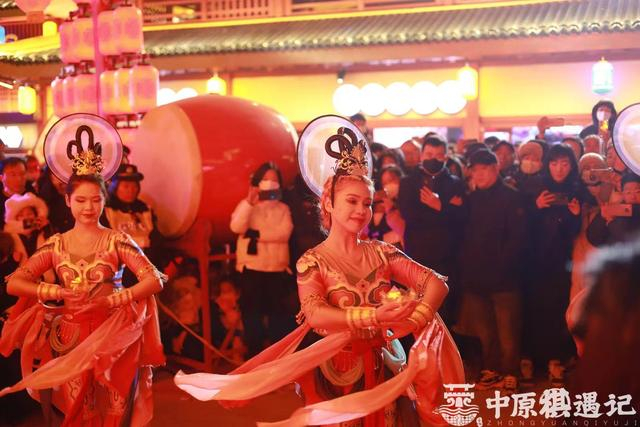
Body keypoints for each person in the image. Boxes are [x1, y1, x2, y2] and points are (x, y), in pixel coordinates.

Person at [175, 117, 464, 426]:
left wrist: (415, 319)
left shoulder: (382, 252)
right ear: (328, 203)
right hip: (334, 372)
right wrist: (375, 316)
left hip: (384, 366)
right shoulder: (312, 261)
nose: (361, 210)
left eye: (367, 203)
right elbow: (315, 315)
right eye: (351, 201)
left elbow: (436, 283)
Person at [0, 116, 165, 426]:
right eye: (80, 200)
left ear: (104, 200)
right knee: (81, 412)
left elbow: (154, 280)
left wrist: (113, 300)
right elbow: (15, 283)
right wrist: (55, 291)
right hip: (71, 336)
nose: (88, 208)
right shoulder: (56, 244)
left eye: (95, 200)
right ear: (67, 200)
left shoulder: (117, 240)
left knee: (116, 412)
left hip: (114, 336)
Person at [456, 149, 527, 393]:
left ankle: (511, 372)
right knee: (485, 331)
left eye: (484, 169)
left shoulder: (512, 197)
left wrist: (503, 266)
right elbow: (465, 238)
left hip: (505, 278)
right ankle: (492, 369)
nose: (479, 174)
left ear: (496, 169)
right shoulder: (471, 199)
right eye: (475, 170)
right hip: (476, 277)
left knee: (508, 330)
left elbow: (518, 239)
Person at [526, 143, 585, 385]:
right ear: (547, 165)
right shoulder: (535, 187)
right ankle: (533, 360)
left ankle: (555, 360)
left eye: (564, 163)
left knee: (559, 310)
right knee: (534, 309)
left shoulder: (577, 190)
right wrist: (535, 207)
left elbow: (574, 233)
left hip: (562, 262)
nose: (559, 169)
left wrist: (575, 215)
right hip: (534, 262)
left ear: (571, 166)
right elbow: (522, 225)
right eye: (554, 163)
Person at [398, 134, 466, 324]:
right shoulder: (408, 183)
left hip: (447, 256)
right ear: (421, 156)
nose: (433, 159)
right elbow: (409, 215)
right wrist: (445, 209)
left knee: (445, 311)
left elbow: (461, 218)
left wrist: (439, 206)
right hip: (417, 255)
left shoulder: (456, 183)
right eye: (429, 154)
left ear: (445, 157)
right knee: (417, 308)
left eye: (438, 155)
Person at [230, 161, 295, 357]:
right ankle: (254, 355)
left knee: (278, 315)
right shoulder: (248, 206)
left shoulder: (283, 208)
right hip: (252, 268)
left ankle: (278, 356)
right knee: (252, 315)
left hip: (276, 268)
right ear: (258, 181)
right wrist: (249, 202)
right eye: (266, 179)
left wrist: (256, 234)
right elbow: (236, 227)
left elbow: (284, 234)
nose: (270, 183)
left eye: (274, 180)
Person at [367, 165, 405, 249]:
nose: (388, 185)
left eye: (391, 180)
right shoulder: (380, 205)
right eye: (384, 183)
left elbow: (404, 230)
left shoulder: (408, 201)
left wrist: (392, 209)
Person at [0, 158, 28, 230]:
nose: (19, 179)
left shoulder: (32, 197)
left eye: (22, 174)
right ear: (1, 178)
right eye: (13, 175)